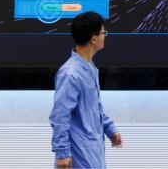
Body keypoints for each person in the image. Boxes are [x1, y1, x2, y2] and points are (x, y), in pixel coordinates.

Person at [49, 11, 123, 168]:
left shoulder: (89, 69)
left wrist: (110, 129)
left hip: (92, 153)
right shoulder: (70, 73)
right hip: (79, 154)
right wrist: (62, 153)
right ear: (93, 39)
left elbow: (93, 108)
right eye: (103, 32)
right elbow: (60, 115)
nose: (105, 35)